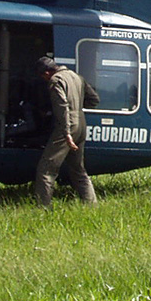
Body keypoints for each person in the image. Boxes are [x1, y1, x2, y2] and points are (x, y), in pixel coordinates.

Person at [33, 56, 98, 208]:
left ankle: (43, 207)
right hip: (82, 125)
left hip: (68, 127)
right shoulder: (76, 76)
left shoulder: (56, 81)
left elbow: (62, 107)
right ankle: (91, 205)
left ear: (47, 73)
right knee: (78, 169)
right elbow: (94, 99)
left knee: (46, 169)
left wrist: (66, 133)